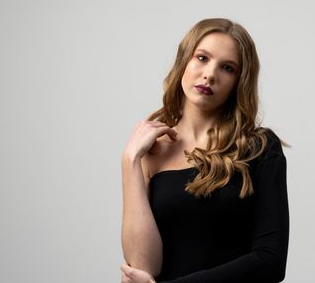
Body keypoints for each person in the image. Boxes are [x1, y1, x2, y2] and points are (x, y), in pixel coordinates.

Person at [120, 18, 290, 283]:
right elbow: (143, 268)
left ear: (239, 81)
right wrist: (130, 161)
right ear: (184, 62)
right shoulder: (150, 152)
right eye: (202, 58)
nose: (210, 74)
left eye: (227, 68)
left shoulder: (260, 148)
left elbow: (271, 261)